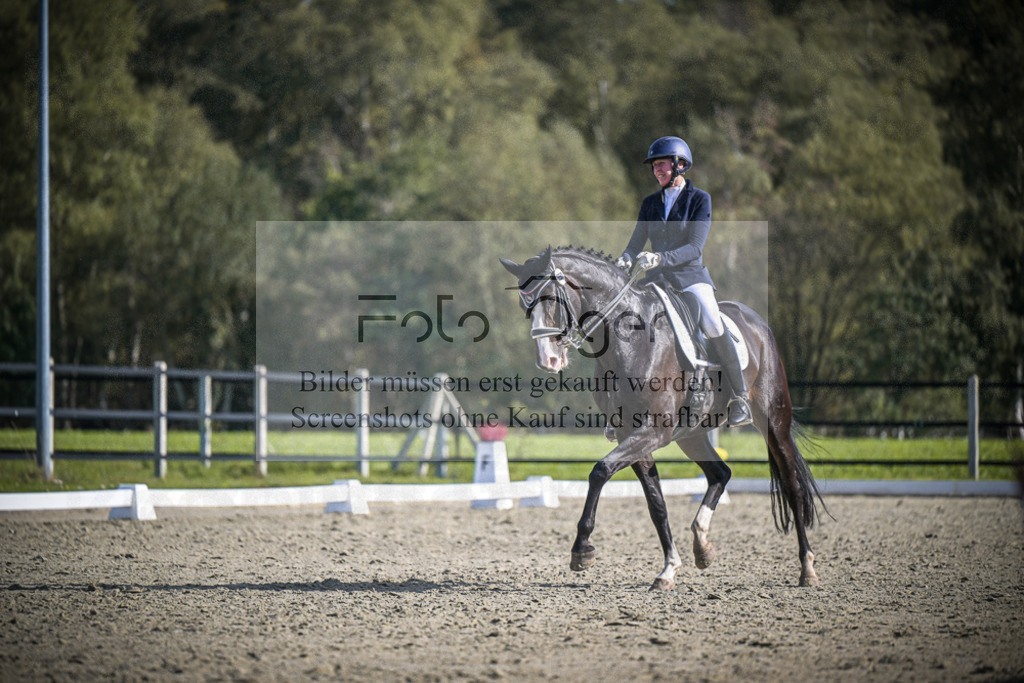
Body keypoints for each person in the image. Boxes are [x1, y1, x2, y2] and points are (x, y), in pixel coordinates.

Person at [616, 136, 752, 427]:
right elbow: (636, 241)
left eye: (662, 165)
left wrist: (661, 258)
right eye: (654, 167)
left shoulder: (699, 199)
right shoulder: (650, 203)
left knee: (713, 322)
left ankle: (740, 397)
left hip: (690, 277)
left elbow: (695, 247)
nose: (657, 171)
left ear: (680, 165)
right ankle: (624, 402)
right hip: (657, 280)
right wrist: (627, 258)